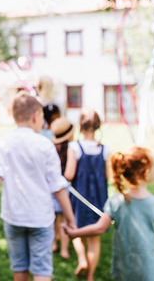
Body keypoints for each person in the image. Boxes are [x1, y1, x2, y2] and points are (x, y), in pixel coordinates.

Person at [0, 91, 76, 281]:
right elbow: (58, 186)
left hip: (13, 216)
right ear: (36, 116)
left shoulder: (2, 144)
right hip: (41, 218)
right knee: (42, 270)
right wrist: (70, 218)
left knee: (20, 268)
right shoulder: (45, 145)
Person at [63, 146, 154, 281]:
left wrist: (74, 234)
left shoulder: (116, 201)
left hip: (126, 268)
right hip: (151, 268)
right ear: (146, 172)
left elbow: (99, 228)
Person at [63, 108, 110, 281]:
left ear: (80, 127)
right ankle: (90, 276)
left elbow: (69, 174)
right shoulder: (105, 149)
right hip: (99, 198)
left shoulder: (74, 147)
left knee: (76, 230)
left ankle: (81, 259)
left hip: (79, 198)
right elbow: (109, 176)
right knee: (94, 238)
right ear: (97, 126)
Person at [49, 117, 75, 259]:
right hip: (65, 190)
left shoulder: (50, 148)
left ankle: (53, 244)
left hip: (50, 188)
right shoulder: (71, 149)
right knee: (63, 221)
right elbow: (70, 174)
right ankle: (64, 250)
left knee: (53, 219)